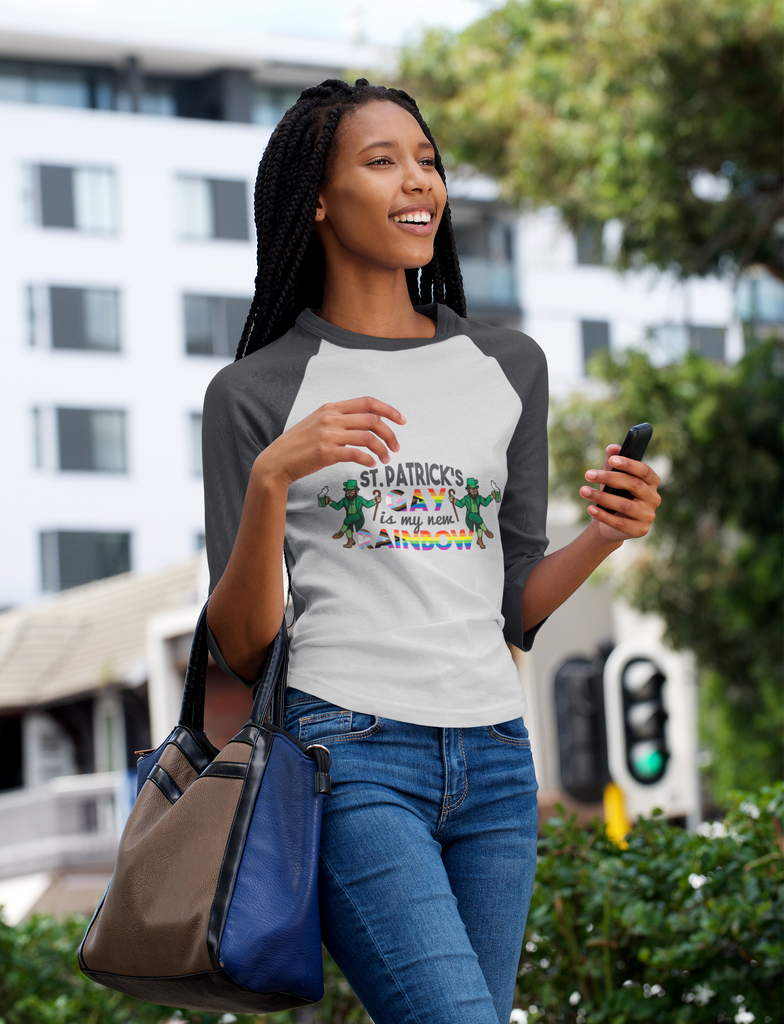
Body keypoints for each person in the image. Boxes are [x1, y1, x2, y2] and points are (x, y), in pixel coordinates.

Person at [202, 79, 661, 1024]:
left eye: (427, 160)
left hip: (496, 757)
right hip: (348, 755)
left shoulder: (507, 366)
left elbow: (515, 604)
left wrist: (605, 534)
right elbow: (242, 647)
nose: (420, 182)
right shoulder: (256, 392)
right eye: (383, 162)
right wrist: (272, 479)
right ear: (316, 199)